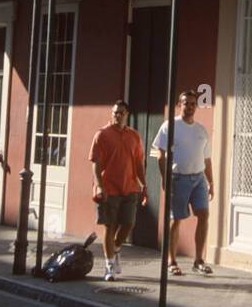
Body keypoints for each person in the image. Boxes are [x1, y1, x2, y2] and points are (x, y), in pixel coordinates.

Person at [152, 89, 214, 275]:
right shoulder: (169, 126)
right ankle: (172, 261)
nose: (190, 107)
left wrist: (211, 182)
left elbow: (207, 159)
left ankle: (199, 260)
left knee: (203, 215)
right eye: (186, 103)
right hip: (178, 178)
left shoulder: (201, 130)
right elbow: (160, 154)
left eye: (193, 104)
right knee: (176, 220)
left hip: (198, 179)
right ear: (180, 105)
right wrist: (165, 177)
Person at [89, 100, 148, 281]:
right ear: (111, 113)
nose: (118, 115)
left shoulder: (134, 136)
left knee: (129, 223)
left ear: (127, 115)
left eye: (121, 113)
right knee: (110, 225)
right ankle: (109, 266)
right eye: (115, 112)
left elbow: (139, 163)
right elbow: (95, 163)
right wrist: (100, 186)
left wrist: (143, 185)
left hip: (129, 187)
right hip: (109, 187)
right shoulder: (102, 135)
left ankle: (115, 249)